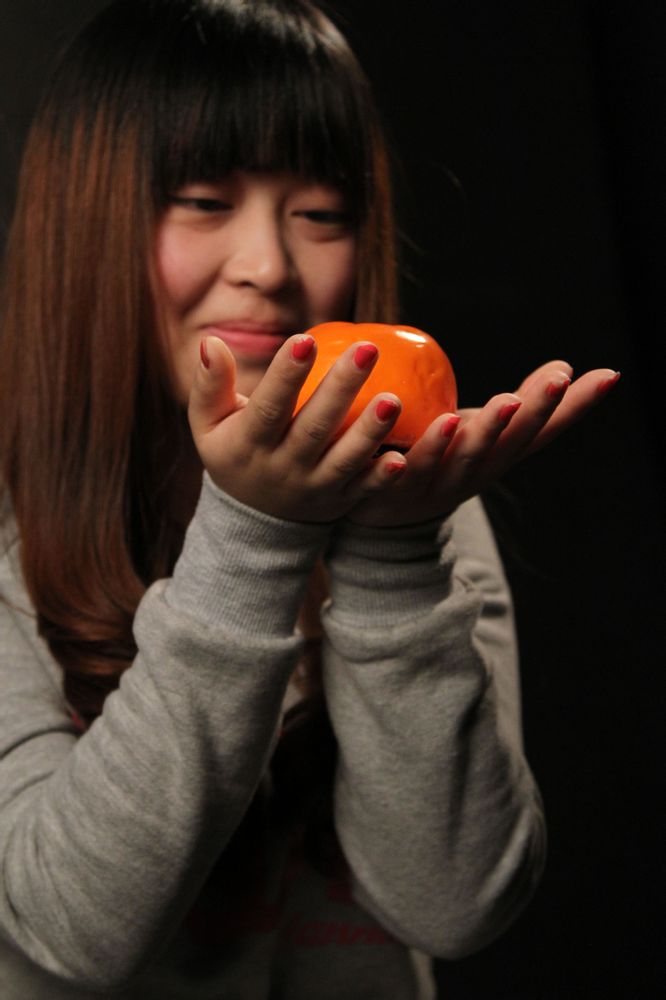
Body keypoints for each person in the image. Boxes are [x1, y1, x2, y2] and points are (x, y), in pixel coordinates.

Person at [0, 1, 620, 997]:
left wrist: (391, 549)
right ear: (83, 219)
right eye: (204, 201)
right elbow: (71, 930)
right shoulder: (8, 530)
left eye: (322, 215)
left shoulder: (412, 503)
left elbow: (456, 904)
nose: (271, 268)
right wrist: (255, 535)